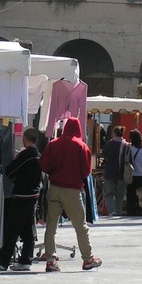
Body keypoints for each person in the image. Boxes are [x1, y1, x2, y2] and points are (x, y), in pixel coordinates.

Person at [40, 116, 102, 272]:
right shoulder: (81, 146)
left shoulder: (53, 144)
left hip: (54, 188)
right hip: (72, 190)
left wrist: (55, 172)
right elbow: (86, 171)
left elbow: (44, 165)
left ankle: (51, 260)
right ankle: (88, 259)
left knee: (51, 226)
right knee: (80, 226)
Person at [0, 128, 42, 272]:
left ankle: (3, 261)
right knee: (27, 230)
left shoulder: (26, 155)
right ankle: (25, 260)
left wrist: (17, 180)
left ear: (25, 139)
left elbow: (10, 170)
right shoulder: (38, 155)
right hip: (33, 196)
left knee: (12, 229)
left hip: (22, 196)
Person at [101, 126, 126, 216]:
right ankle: (118, 211)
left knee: (108, 194)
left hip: (109, 172)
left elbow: (104, 156)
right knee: (119, 195)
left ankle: (112, 211)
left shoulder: (108, 144)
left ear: (114, 133)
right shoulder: (126, 145)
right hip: (122, 173)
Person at [125, 129, 142, 216]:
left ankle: (131, 211)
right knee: (141, 195)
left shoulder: (129, 150)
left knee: (131, 195)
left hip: (132, 175)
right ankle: (141, 210)